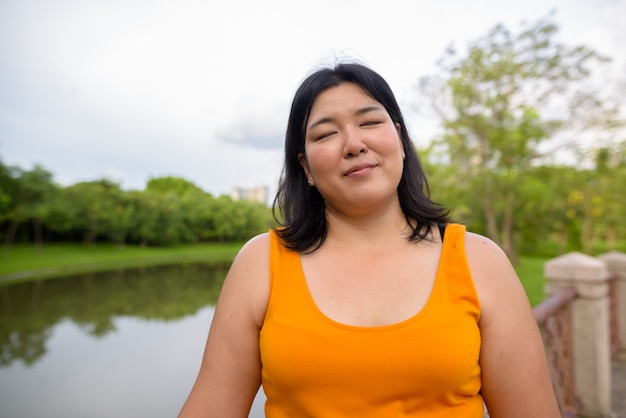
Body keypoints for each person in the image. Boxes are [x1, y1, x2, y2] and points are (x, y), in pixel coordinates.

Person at [178, 62, 561, 418]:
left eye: (370, 122)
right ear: (305, 167)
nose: (353, 144)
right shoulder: (261, 262)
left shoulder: (480, 260)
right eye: (326, 133)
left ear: (399, 138)